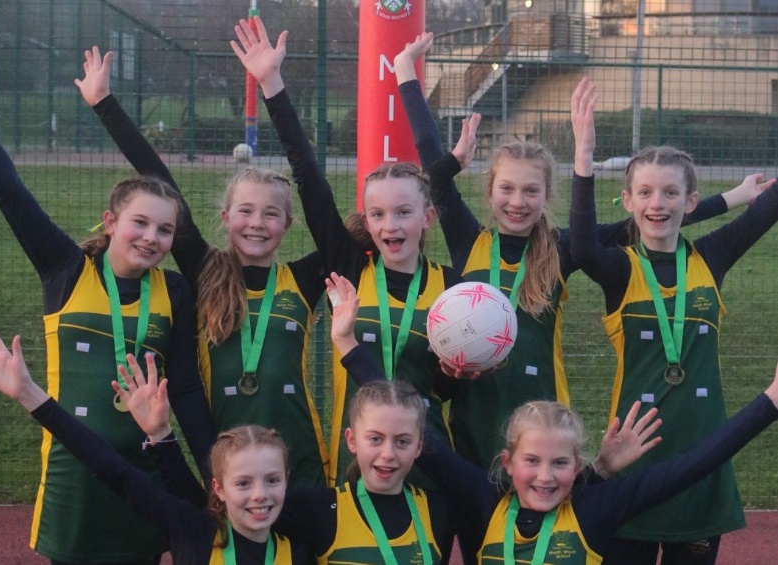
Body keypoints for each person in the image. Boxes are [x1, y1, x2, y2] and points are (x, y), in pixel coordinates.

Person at [394, 32, 775, 475]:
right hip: (474, 409)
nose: (518, 201)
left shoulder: (562, 247)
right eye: (507, 189)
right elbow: (431, 164)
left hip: (543, 416)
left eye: (531, 190)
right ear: (490, 192)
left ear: (547, 195)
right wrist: (406, 74)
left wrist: (732, 197)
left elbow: (651, 219)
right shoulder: (469, 240)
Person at [325, 271, 778, 564]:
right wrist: (347, 343)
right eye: (533, 462)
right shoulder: (485, 503)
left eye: (560, 464)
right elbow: (409, 420)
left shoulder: (595, 508)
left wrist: (771, 400)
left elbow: (694, 465)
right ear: (507, 463)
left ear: (577, 467)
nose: (544, 477)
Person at [75, 46, 329, 489]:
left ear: (287, 224)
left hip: (301, 464)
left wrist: (273, 86)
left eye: (271, 215)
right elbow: (162, 182)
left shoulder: (304, 281)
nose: (257, 224)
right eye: (245, 212)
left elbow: (310, 180)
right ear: (226, 219)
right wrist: (104, 104)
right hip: (230, 473)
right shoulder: (205, 270)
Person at [230, 17, 460, 488]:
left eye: (402, 213)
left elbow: (444, 388)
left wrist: (462, 374)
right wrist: (271, 82)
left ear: (428, 218)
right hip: (354, 457)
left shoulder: (453, 290)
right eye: (377, 215)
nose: (389, 226)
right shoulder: (350, 269)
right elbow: (309, 178)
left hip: (426, 458)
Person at [569, 76, 778, 565]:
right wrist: (584, 153)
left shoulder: (713, 256)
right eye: (644, 192)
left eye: (669, 193)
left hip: (702, 455)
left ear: (690, 202)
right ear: (628, 202)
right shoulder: (619, 269)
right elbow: (580, 247)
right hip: (633, 456)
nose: (656, 203)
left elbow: (766, 211)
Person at [0, 135, 216, 564]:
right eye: (141, 223)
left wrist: (213, 471)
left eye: (165, 230)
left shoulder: (174, 290)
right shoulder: (66, 269)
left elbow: (185, 389)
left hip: (144, 476)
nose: (152, 238)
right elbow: (8, 190)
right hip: (72, 470)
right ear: (110, 222)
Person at [0, 331, 313, 565]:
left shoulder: (300, 547)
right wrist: (28, 395)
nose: (260, 494)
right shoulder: (192, 530)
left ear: (287, 479)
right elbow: (113, 470)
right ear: (219, 488)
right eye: (243, 483)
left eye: (272, 480)